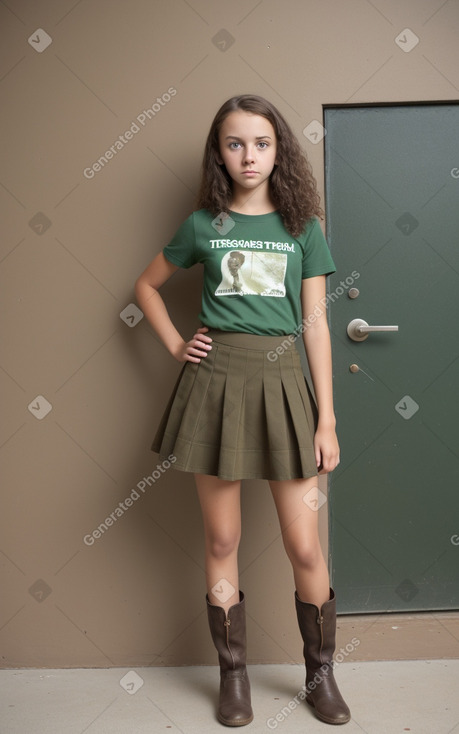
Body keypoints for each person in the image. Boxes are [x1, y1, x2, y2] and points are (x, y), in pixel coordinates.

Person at [135, 94, 351, 727]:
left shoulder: (303, 225)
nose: (248, 155)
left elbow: (314, 324)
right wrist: (178, 342)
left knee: (305, 547)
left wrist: (327, 418)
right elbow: (145, 286)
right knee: (222, 537)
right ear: (219, 152)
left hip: (286, 386)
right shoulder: (203, 224)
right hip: (216, 386)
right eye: (235, 144)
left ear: (279, 149)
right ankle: (234, 679)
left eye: (260, 143)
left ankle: (320, 676)